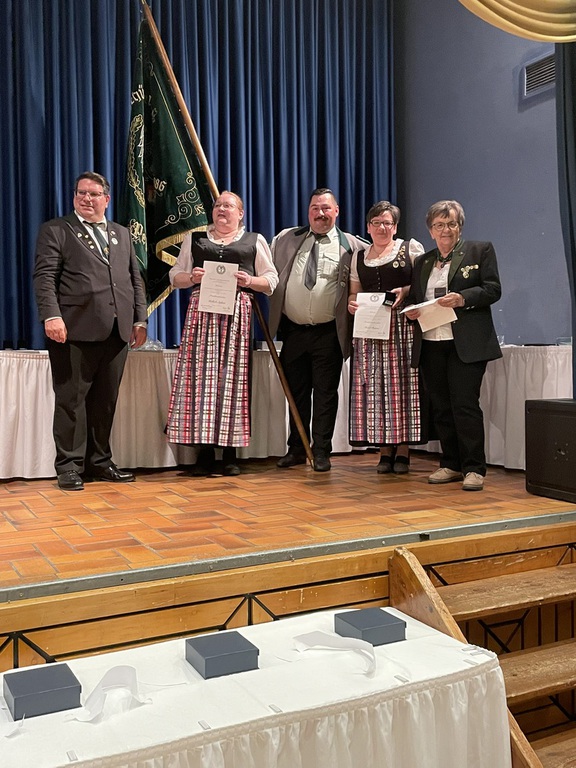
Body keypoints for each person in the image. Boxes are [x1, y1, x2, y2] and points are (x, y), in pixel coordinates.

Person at [33, 171, 148, 491]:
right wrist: (51, 316)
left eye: (93, 194)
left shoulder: (121, 233)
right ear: (74, 197)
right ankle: (69, 466)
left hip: (117, 331)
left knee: (105, 401)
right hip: (72, 330)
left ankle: (99, 461)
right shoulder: (57, 230)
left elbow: (134, 280)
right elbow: (44, 278)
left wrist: (140, 320)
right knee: (71, 401)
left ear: (106, 200)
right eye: (81, 192)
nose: (86, 198)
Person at [165, 191, 278, 476]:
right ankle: (203, 452)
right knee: (200, 380)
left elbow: (271, 280)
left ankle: (230, 453)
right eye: (217, 205)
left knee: (232, 379)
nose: (221, 210)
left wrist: (250, 280)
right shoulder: (196, 239)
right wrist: (191, 277)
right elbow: (175, 276)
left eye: (228, 206)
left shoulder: (254, 240)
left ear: (240, 213)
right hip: (202, 314)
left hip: (236, 314)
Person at [405, 200, 502, 491]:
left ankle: (474, 468)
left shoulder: (479, 250)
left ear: (460, 227)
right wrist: (412, 310)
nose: (445, 230)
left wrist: (462, 298)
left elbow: (492, 289)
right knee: (441, 407)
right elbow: (417, 297)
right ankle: (451, 463)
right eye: (439, 225)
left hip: (466, 343)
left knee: (464, 405)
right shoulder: (423, 262)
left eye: (451, 224)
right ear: (430, 231)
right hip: (431, 342)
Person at [269, 188, 363, 472]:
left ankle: (321, 451)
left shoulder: (353, 246)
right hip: (293, 331)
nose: (320, 213)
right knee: (295, 394)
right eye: (315, 208)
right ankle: (297, 449)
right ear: (308, 211)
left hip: (328, 333)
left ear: (337, 211)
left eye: (326, 208)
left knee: (325, 394)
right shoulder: (285, 239)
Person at [347, 201, 424, 474]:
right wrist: (352, 304)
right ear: (368, 227)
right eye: (377, 223)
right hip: (370, 329)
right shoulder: (359, 257)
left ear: (395, 227)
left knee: (401, 387)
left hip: (402, 327)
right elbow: (354, 291)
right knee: (375, 387)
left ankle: (402, 450)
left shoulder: (410, 249)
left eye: (387, 223)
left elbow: (423, 283)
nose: (382, 228)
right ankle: (383, 450)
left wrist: (406, 289)